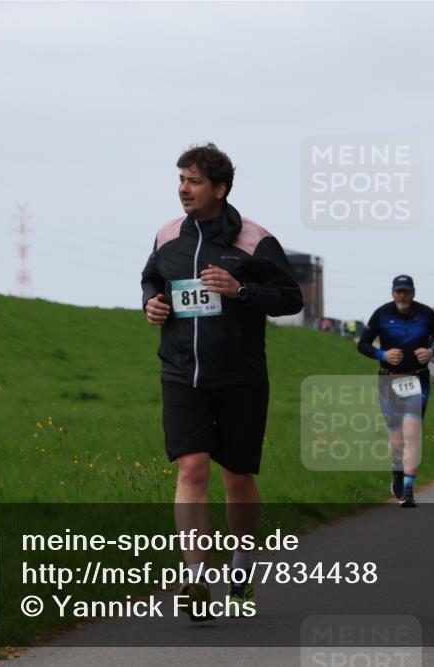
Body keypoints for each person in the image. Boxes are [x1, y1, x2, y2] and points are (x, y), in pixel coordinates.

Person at [141, 143, 304, 620]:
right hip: (180, 372)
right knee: (191, 468)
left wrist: (242, 290)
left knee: (237, 477)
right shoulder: (167, 234)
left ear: (220, 188)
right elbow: (152, 279)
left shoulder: (254, 240)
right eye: (180, 179)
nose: (183, 189)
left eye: (193, 181)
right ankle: (195, 577)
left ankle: (243, 566)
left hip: (239, 378)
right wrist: (151, 303)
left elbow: (290, 298)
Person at [358, 275, 434, 507]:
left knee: (412, 432)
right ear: (392, 293)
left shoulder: (426, 314)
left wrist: (432, 352)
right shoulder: (382, 314)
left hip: (417, 380)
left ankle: (408, 490)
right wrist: (383, 354)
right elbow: (363, 344)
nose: (402, 295)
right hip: (388, 380)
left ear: (413, 293)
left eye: (406, 291)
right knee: (397, 441)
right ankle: (397, 471)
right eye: (398, 291)